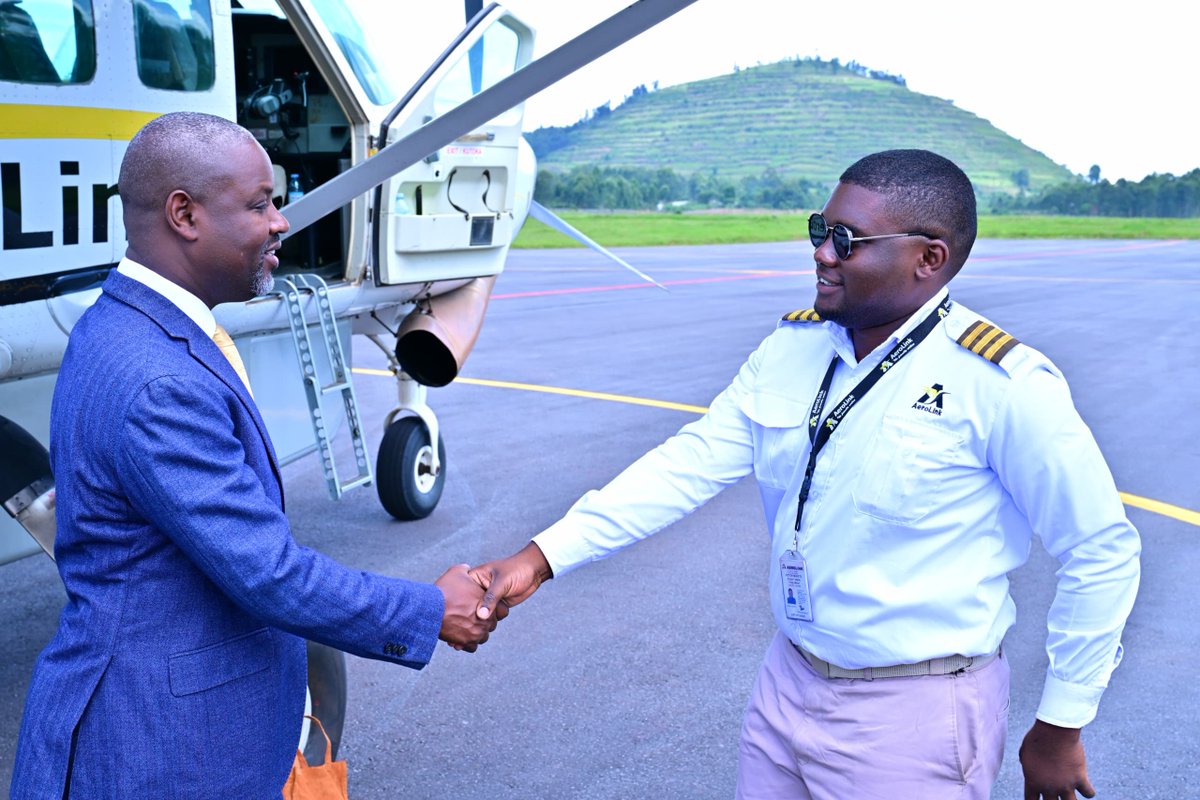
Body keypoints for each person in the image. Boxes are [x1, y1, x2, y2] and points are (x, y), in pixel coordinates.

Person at [469, 149, 1141, 800]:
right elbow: (687, 464)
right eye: (820, 230)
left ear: (927, 258)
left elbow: (1100, 550)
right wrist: (540, 558)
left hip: (917, 713)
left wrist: (1061, 724)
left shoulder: (999, 383)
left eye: (846, 239)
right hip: (788, 681)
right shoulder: (793, 348)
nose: (821, 251)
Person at [10, 111, 503, 798]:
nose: (280, 222)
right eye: (259, 203)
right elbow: (268, 575)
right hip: (158, 748)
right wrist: (428, 609)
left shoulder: (126, 324)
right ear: (184, 214)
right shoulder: (160, 381)